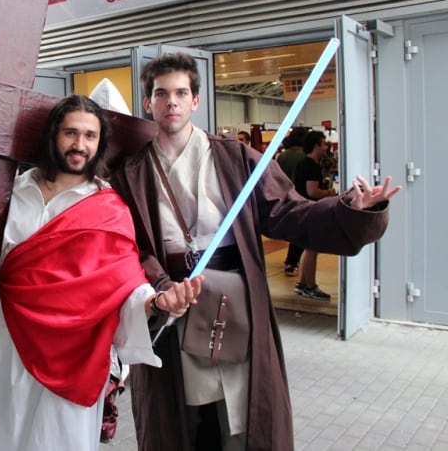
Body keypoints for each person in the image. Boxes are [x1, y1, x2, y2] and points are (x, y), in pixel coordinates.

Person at [109, 53, 400, 451]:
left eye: (181, 93)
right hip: (172, 297)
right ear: (148, 102)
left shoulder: (235, 158)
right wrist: (161, 289)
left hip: (235, 298)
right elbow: (131, 247)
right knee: (180, 419)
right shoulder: (132, 172)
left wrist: (351, 208)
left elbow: (290, 212)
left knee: (242, 413)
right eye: (161, 94)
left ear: (196, 100)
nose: (171, 102)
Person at [0, 95, 202, 451]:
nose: (80, 144)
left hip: (76, 353)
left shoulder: (109, 208)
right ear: (54, 134)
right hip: (9, 341)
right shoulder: (11, 191)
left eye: (90, 136)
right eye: (71, 132)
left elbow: (125, 284)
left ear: (100, 143)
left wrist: (158, 303)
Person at [294, 130, 339, 300]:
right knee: (312, 249)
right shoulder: (311, 166)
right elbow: (312, 191)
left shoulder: (304, 163)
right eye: (324, 144)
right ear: (316, 145)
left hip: (302, 210)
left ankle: (302, 283)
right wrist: (330, 193)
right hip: (310, 211)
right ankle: (310, 286)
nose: (327, 147)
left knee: (307, 248)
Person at [276, 126, 308, 275]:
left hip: (283, 195)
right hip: (300, 195)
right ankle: (294, 262)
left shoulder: (282, 156)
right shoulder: (304, 157)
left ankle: (292, 261)